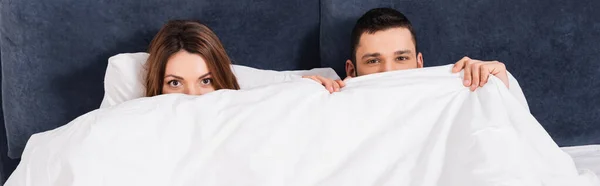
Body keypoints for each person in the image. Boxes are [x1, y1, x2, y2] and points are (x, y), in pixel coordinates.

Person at [306, 7, 510, 92]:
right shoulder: (334, 103)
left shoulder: (451, 94)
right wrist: (305, 97)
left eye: (401, 58)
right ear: (351, 70)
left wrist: (497, 85)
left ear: (419, 63)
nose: (389, 72)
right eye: (373, 61)